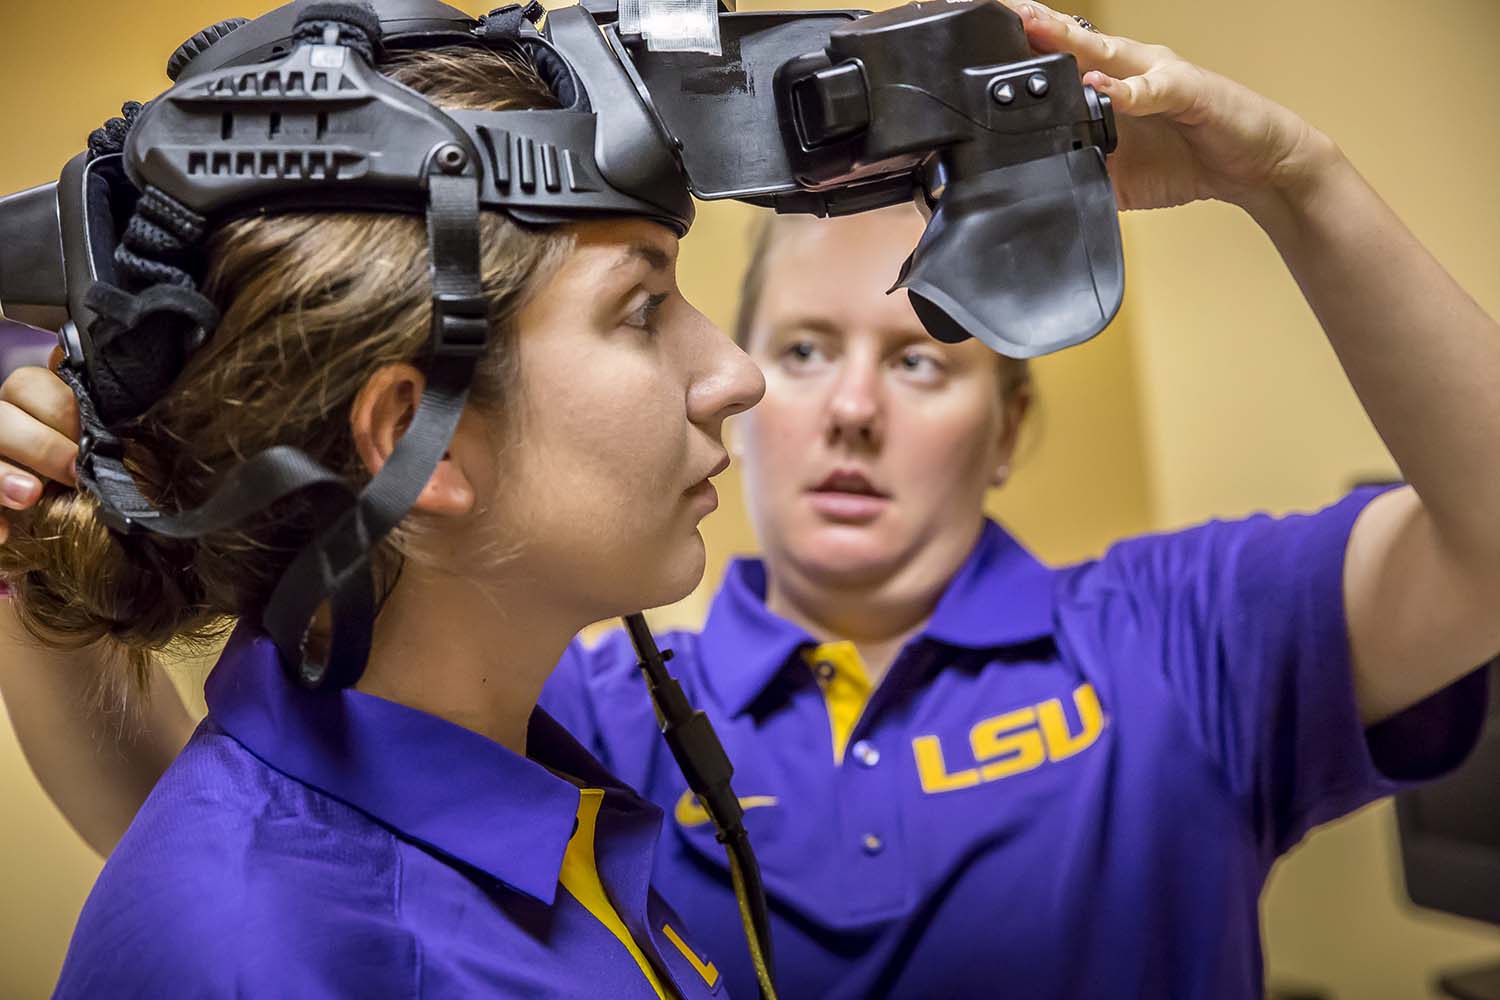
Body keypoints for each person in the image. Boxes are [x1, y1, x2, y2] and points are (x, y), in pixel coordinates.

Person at [3, 3, 1498, 998]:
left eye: (924, 359)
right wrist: (34, 544)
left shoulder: (1178, 640)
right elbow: (254, 864)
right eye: (788, 344)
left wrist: (1296, 180)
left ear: (1007, 426)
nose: (812, 401)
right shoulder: (603, 706)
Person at [0, 35, 764, 1000]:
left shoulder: (544, 744)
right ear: (422, 443)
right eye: (644, 309)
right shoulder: (258, 961)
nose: (739, 374)